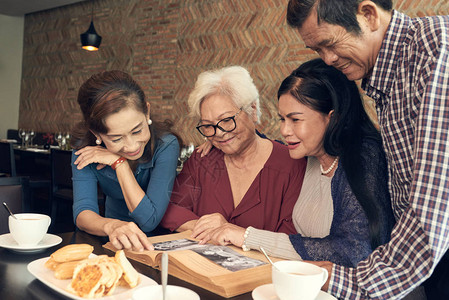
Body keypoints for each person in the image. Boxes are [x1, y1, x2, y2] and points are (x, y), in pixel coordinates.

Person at [286, 0, 449, 299]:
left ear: (369, 14)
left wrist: (343, 281)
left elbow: (431, 212)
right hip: (426, 265)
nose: (329, 59)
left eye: (330, 44)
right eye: (318, 51)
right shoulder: (386, 77)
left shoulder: (434, 50)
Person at [203, 58, 394, 268]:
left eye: (295, 120)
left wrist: (248, 237)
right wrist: (221, 138)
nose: (285, 130)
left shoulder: (365, 159)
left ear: (333, 118)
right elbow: (265, 144)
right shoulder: (311, 156)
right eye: (282, 119)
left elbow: (352, 252)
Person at [160, 66, 307, 239]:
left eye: (227, 120)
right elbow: (169, 208)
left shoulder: (292, 164)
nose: (219, 133)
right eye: (208, 125)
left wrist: (230, 231)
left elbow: (291, 238)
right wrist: (206, 229)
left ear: (252, 110)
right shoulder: (202, 160)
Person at [71, 70, 180, 252]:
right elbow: (83, 213)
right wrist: (111, 226)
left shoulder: (166, 145)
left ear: (147, 112)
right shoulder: (85, 152)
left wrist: (119, 164)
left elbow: (149, 220)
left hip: (157, 246)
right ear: (96, 134)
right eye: (116, 139)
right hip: (112, 242)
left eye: (137, 131)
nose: (131, 146)